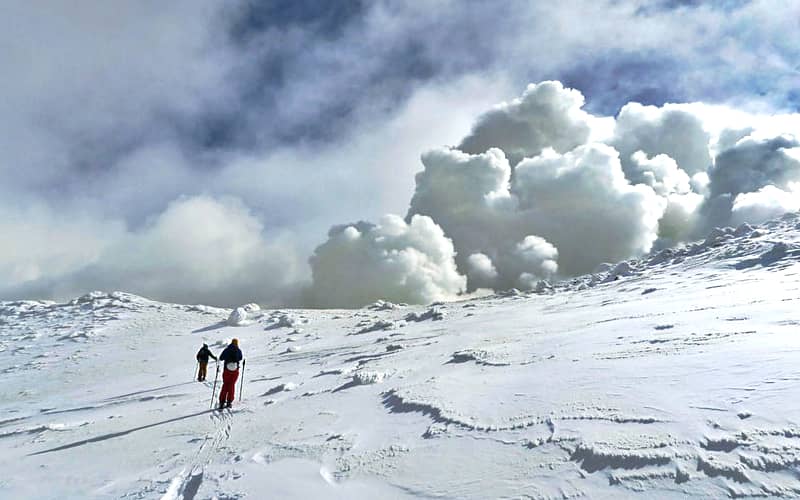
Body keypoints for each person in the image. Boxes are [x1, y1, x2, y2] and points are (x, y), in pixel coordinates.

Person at [218, 338, 243, 409]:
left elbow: (221, 357)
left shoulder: (227, 349)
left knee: (225, 384)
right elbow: (240, 358)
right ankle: (229, 401)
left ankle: (222, 402)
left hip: (227, 370)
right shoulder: (238, 350)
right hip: (235, 370)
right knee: (232, 385)